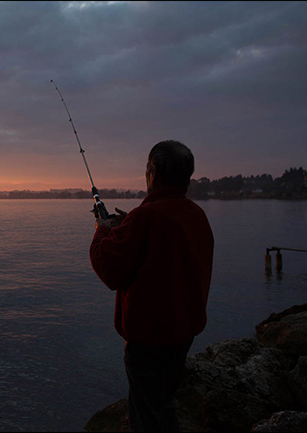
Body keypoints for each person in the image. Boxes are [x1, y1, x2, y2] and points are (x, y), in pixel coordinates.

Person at [89, 140, 214, 432]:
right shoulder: (196, 215)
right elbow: (164, 247)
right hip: (183, 334)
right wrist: (126, 225)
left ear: (152, 171)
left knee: (147, 416)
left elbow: (109, 269)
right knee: (163, 403)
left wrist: (102, 232)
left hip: (149, 340)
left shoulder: (145, 218)